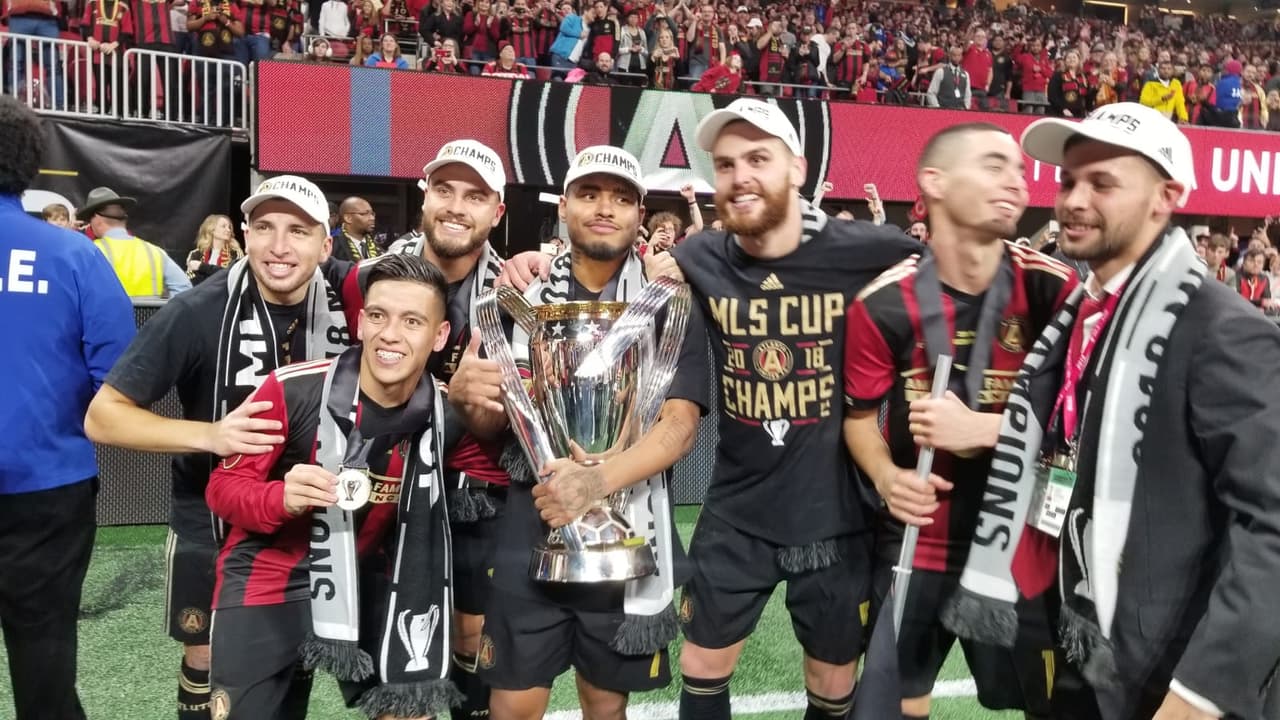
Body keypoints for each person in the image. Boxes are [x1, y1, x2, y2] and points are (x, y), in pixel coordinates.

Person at [946, 101, 1280, 719]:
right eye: (1069, 179)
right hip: (1085, 641)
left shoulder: (1221, 329)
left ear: (1166, 197)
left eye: (1103, 182)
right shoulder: (1080, 316)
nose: (1072, 199)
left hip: (1169, 675)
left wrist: (1200, 696)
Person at [447, 145, 708, 720]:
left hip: (628, 523)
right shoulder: (515, 298)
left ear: (641, 212)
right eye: (589, 195)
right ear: (563, 207)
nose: (604, 209)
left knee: (605, 706)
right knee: (511, 706)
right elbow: (493, 423)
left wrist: (595, 484)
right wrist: (467, 399)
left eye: (620, 198)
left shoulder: (670, 302)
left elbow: (680, 427)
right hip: (531, 517)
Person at [84, 174, 358, 720]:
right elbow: (103, 417)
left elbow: (429, 279)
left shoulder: (356, 298)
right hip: (211, 521)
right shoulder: (199, 310)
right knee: (209, 661)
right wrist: (209, 434)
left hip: (318, 520)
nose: (280, 247)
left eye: (298, 231)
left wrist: (523, 263)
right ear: (244, 236)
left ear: (325, 246)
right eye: (265, 228)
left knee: (294, 661)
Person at [842, 123, 1075, 720]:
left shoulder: (1053, 288)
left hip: (1023, 542)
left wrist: (988, 430)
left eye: (1021, 171)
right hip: (920, 543)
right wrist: (886, 477)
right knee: (897, 705)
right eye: (995, 164)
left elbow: (1086, 420)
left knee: (1054, 707)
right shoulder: (882, 302)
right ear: (934, 183)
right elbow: (859, 419)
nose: (1017, 181)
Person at [205, 253, 457, 719]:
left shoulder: (445, 415)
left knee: (409, 711)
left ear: (439, 336)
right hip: (268, 579)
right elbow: (222, 488)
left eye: (412, 321)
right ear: (360, 322)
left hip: (369, 579)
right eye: (378, 316)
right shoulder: (292, 390)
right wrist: (279, 497)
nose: (390, 335)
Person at [0, 95, 134, 720]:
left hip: (49, 485)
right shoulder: (75, 254)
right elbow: (120, 377)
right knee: (45, 656)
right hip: (49, 486)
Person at [387, 138, 512, 720]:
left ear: (497, 212)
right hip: (385, 497)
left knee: (473, 643)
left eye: (475, 195)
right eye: (444, 190)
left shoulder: (520, 296)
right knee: (397, 666)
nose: (457, 206)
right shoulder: (371, 282)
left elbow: (509, 424)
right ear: (424, 196)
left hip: (475, 500)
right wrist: (448, 395)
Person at [79, 186, 192, 297]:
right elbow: (185, 290)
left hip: (109, 316)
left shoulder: (90, 253)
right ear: (124, 219)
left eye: (90, 219)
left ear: (97, 220)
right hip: (152, 316)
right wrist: (160, 310)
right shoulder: (155, 253)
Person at [186, 213, 245, 284]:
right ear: (212, 230)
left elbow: (233, 276)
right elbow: (190, 277)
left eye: (229, 227)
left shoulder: (235, 253)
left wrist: (201, 266)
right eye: (224, 226)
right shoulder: (196, 254)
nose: (228, 230)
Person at [335, 196, 382, 263]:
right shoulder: (333, 248)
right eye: (364, 214)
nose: (372, 218)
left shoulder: (379, 250)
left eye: (372, 214)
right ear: (348, 218)